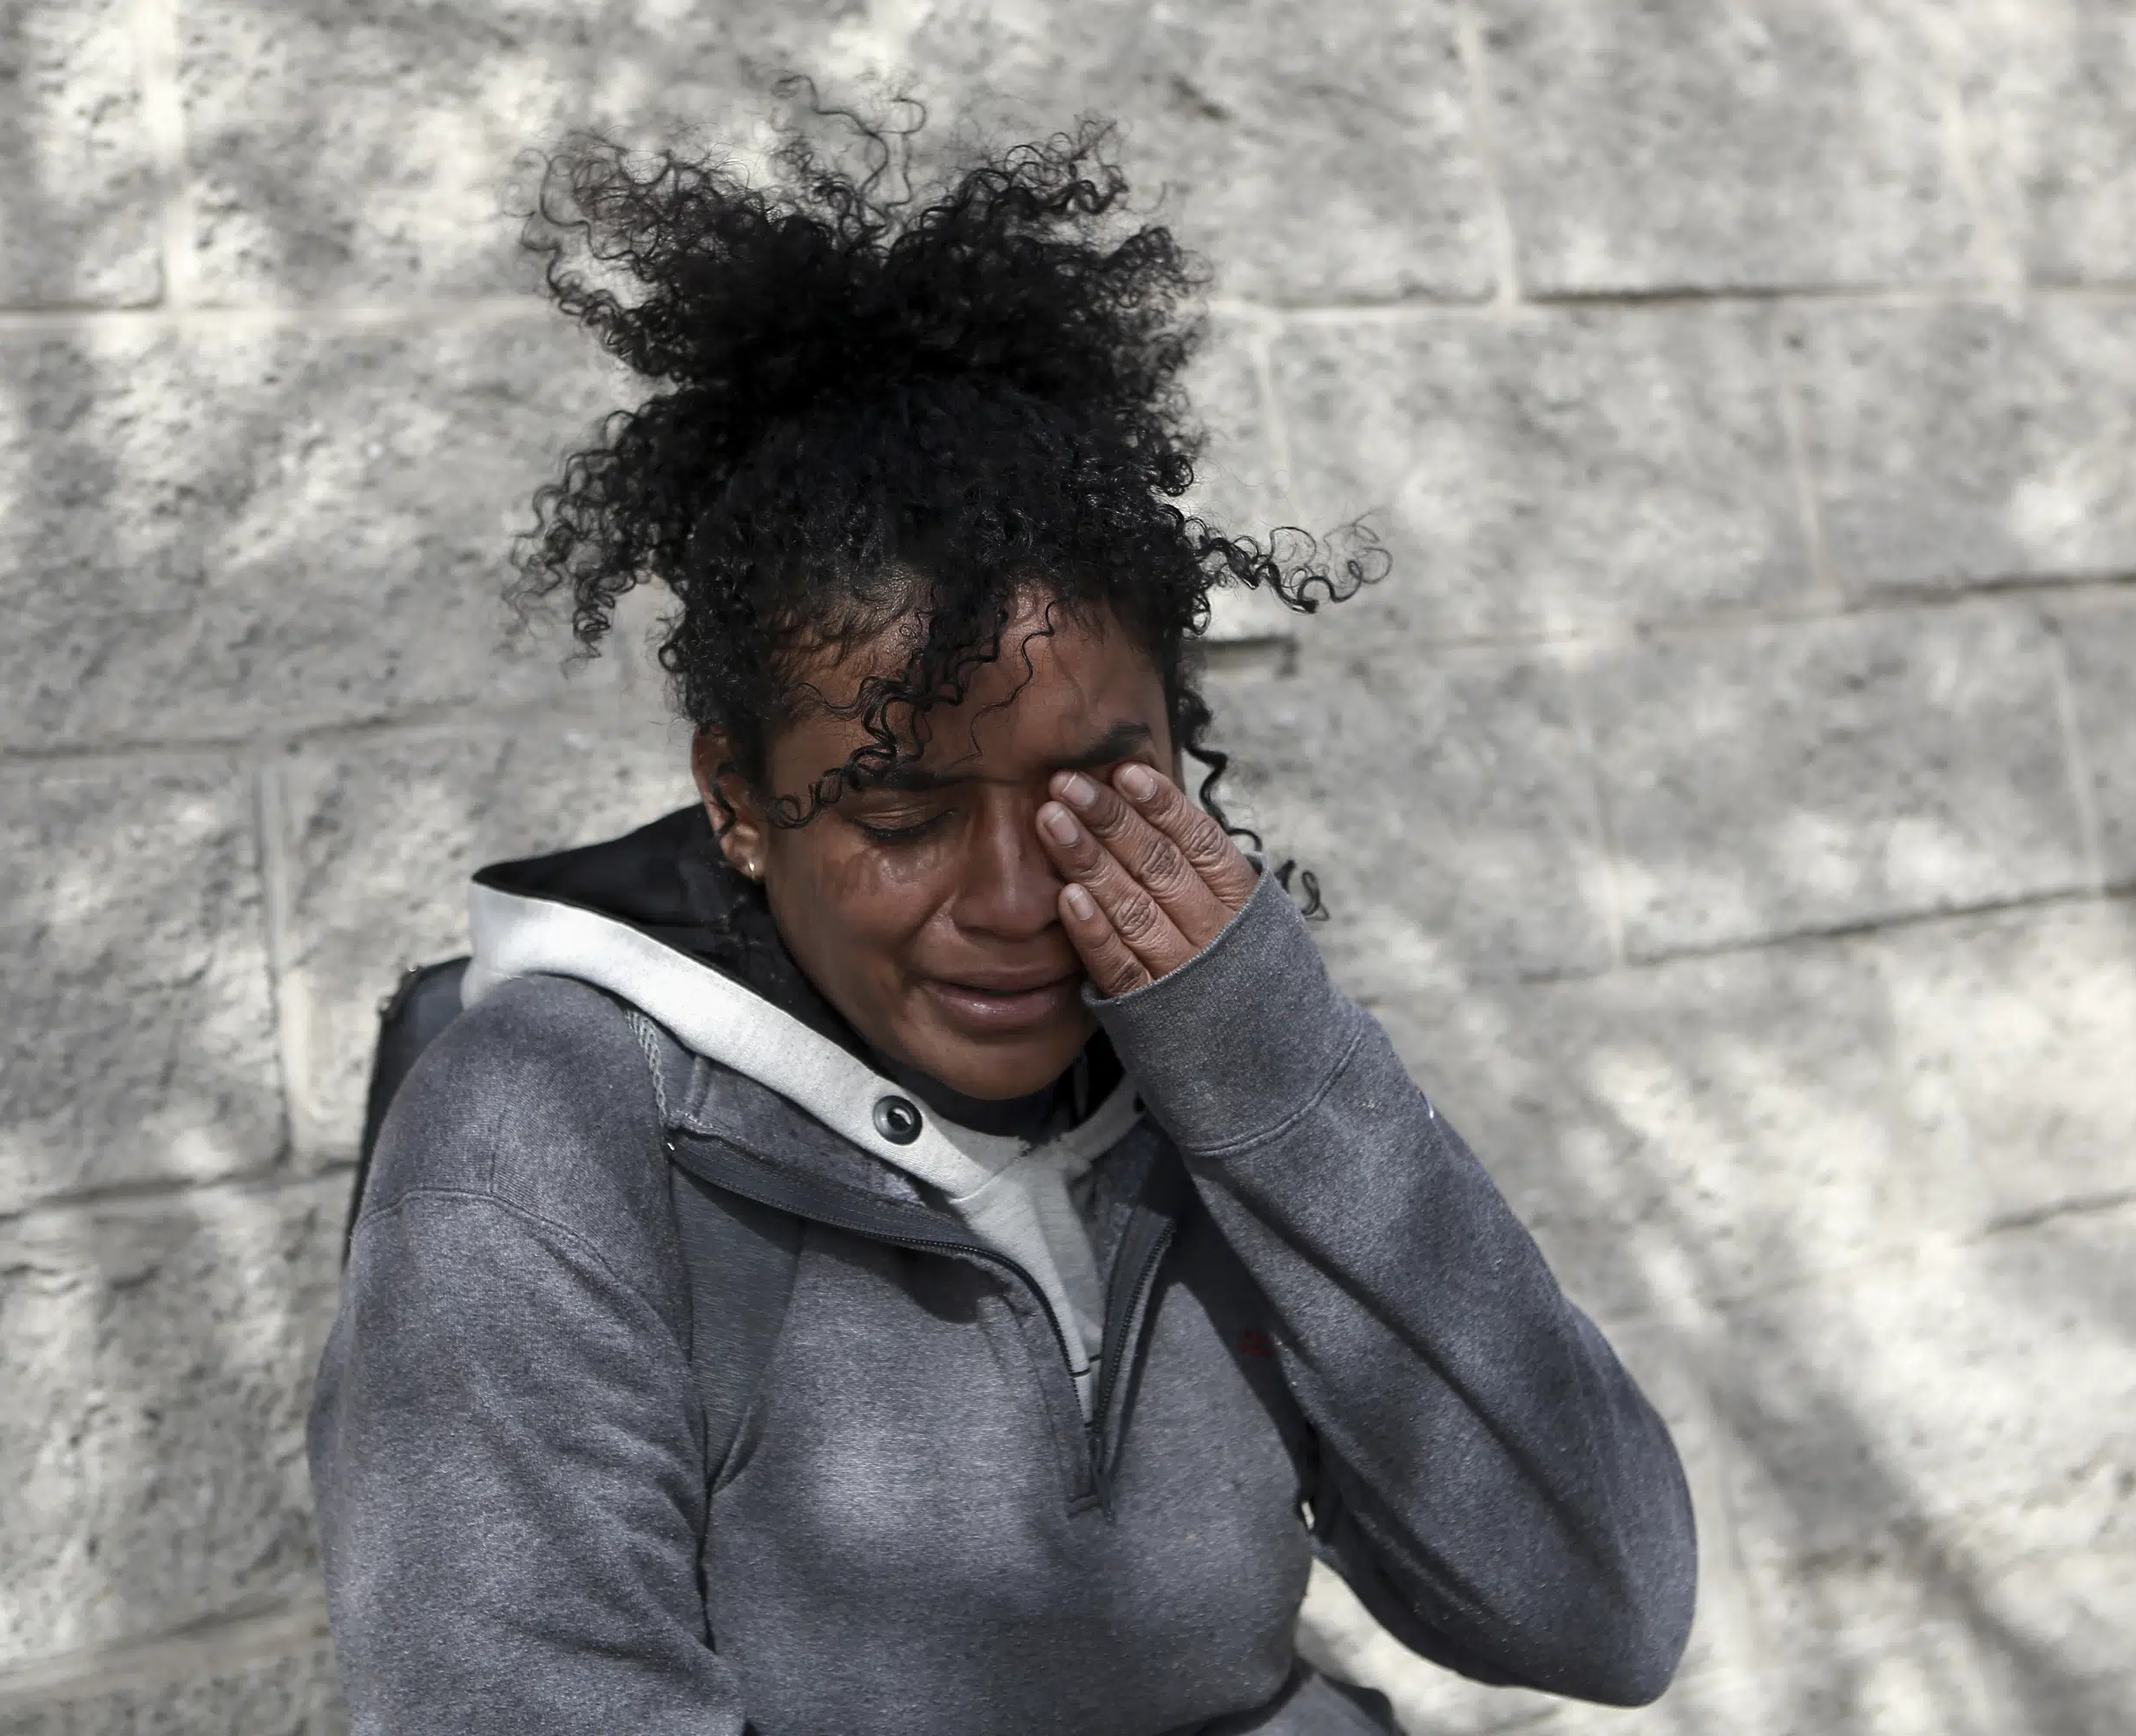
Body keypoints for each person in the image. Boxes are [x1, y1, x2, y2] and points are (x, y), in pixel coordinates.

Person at [306, 99, 1696, 1736]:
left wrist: (1275, 1075)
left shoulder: (1206, 1056)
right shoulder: (544, 1127)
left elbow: (1604, 1611)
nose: (1022, 900)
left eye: (1094, 790)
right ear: (739, 801)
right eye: (901, 816)